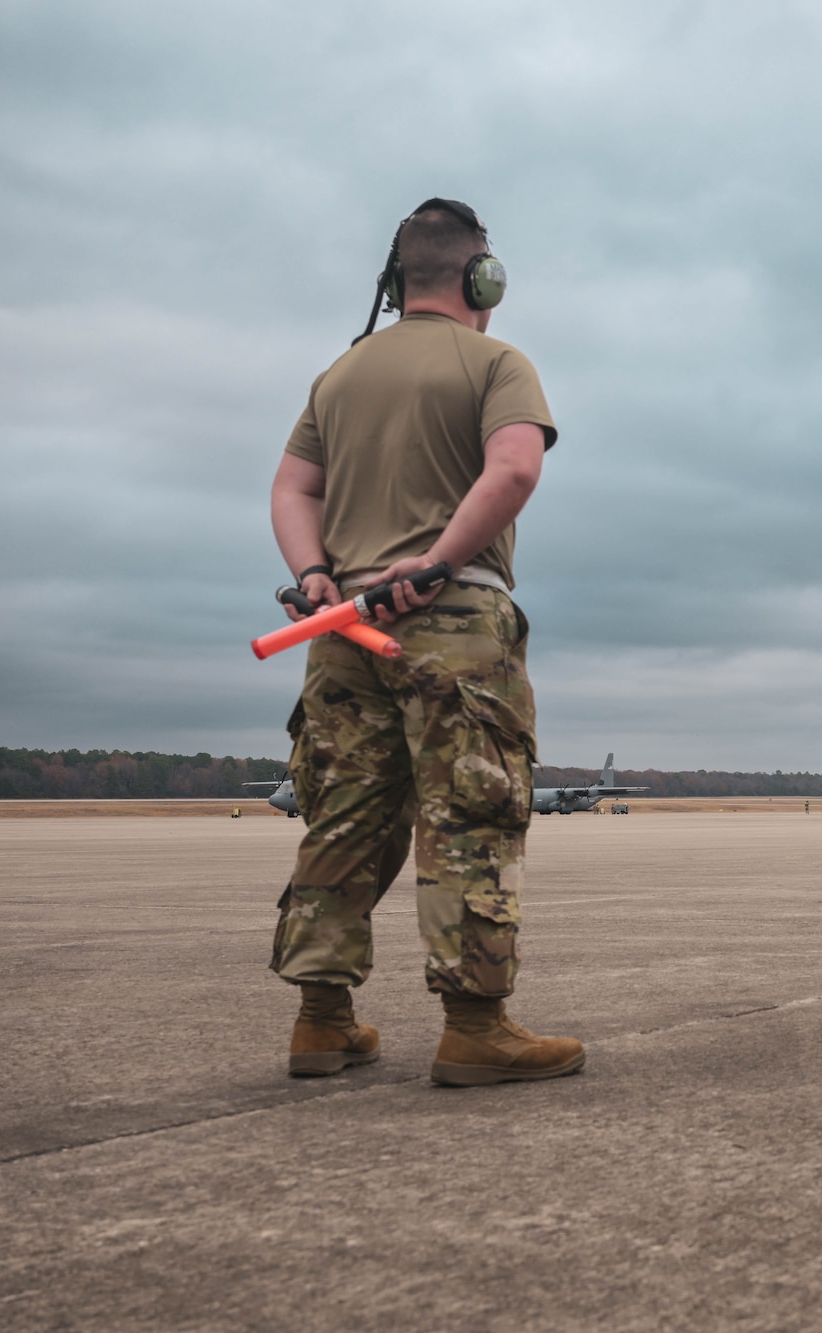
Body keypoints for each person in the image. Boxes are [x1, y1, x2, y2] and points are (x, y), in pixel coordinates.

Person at [265, 198, 583, 1086]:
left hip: (342, 628)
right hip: (451, 621)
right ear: (483, 278)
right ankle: (476, 1027)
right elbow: (516, 467)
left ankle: (321, 1023)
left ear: (396, 281)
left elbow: (293, 489)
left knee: (343, 816)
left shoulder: (341, 375)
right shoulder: (496, 362)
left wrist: (315, 575)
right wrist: (439, 561)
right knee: (470, 811)